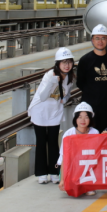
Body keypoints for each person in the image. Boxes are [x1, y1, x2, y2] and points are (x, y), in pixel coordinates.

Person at [28, 47, 75, 184]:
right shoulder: (49, 75)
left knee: (54, 142)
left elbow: (67, 94)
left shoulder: (70, 77)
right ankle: (42, 173)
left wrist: (64, 100)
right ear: (58, 63)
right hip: (40, 111)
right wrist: (52, 82)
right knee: (41, 142)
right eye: (64, 62)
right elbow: (42, 97)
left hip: (54, 112)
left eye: (69, 62)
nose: (67, 65)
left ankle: (54, 172)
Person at [76, 24, 107, 132]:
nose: (100, 41)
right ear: (92, 40)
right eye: (97, 38)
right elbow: (80, 83)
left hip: (106, 106)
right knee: (89, 135)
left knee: (104, 134)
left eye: (103, 38)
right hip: (89, 106)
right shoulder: (85, 60)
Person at [58, 102, 100, 195]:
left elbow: (98, 156)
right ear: (75, 118)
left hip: (88, 167)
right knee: (73, 190)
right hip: (72, 168)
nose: (83, 120)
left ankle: (89, 184)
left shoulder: (95, 133)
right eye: (80, 117)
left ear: (90, 118)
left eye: (86, 117)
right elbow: (64, 158)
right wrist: (63, 180)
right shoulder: (68, 134)